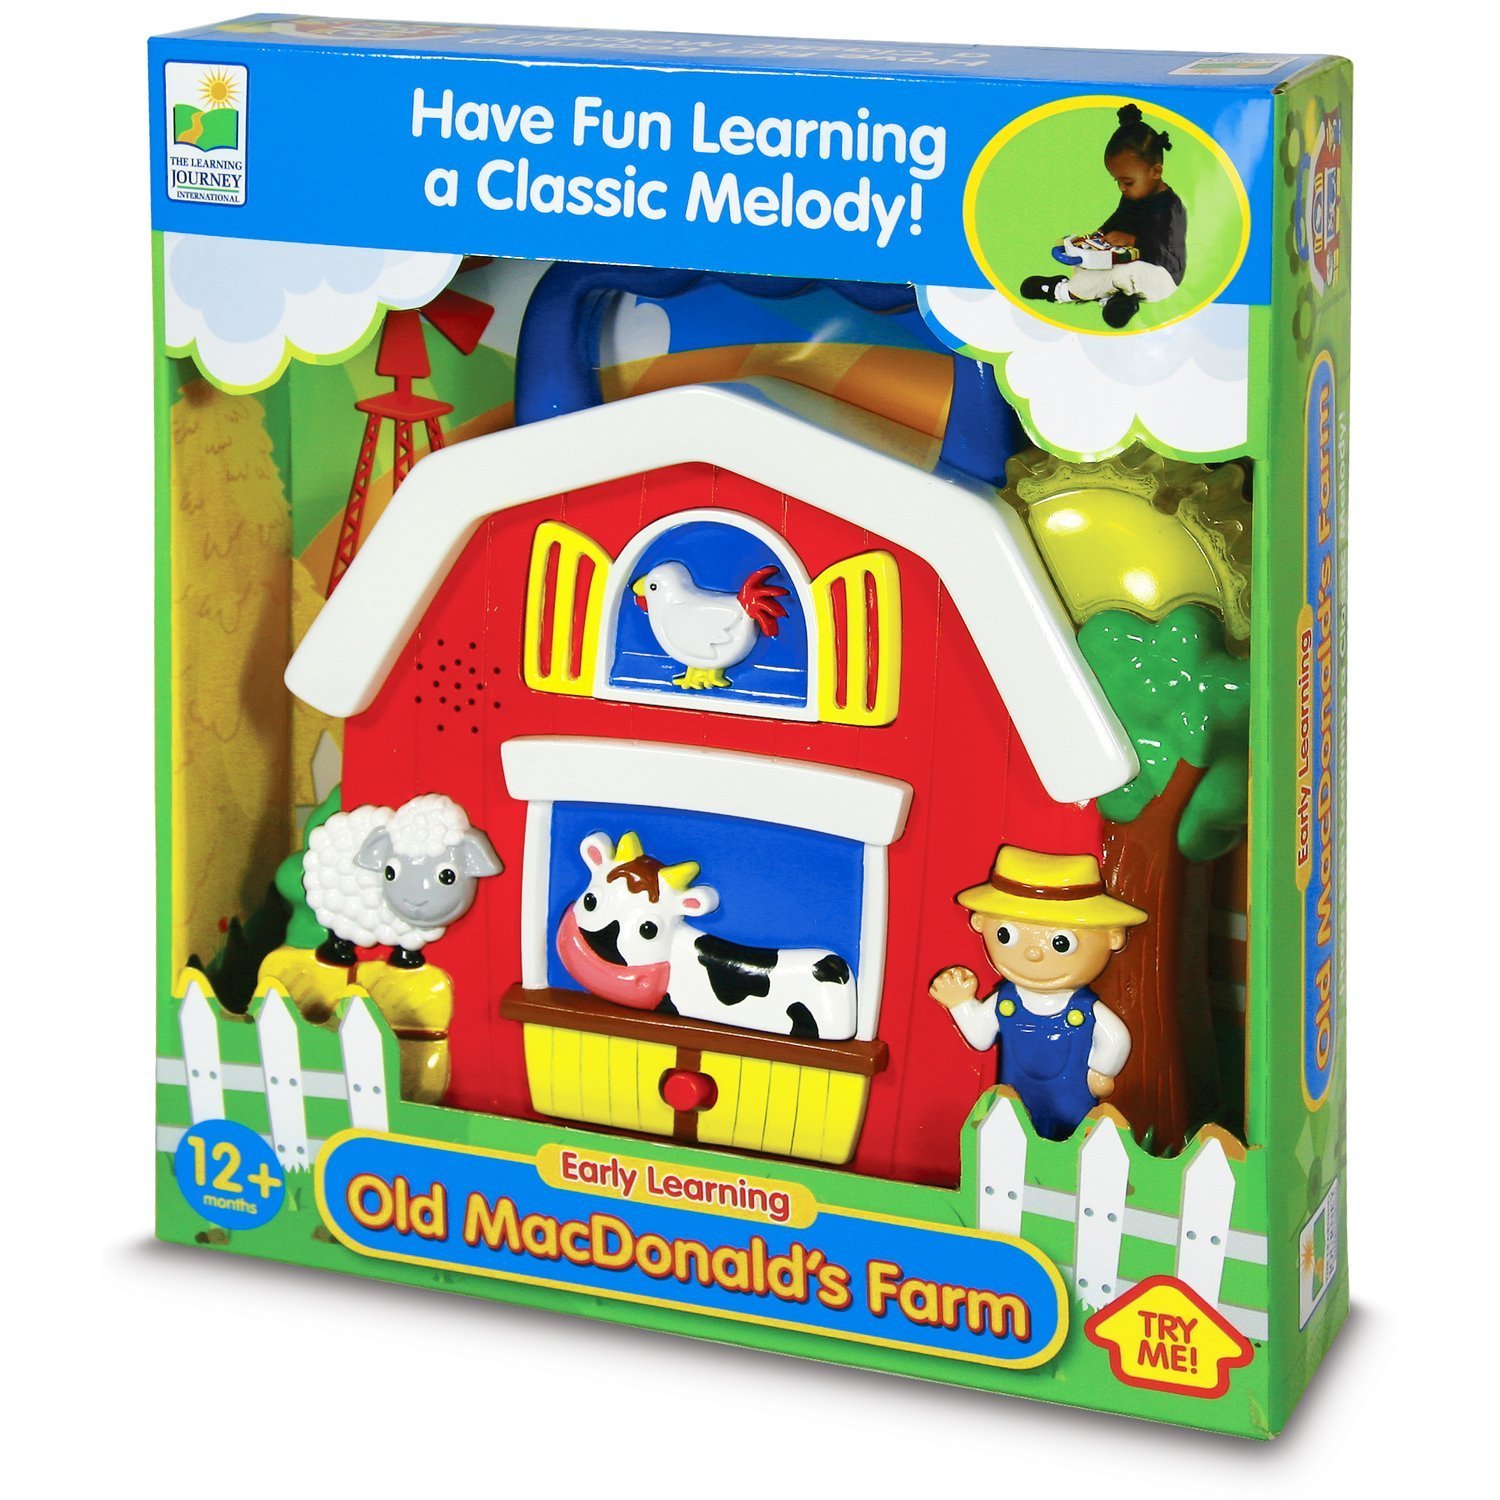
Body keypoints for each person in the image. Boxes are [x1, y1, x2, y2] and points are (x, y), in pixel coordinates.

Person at [929, 845, 1147, 1140]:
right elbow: (981, 1037)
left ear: (1113, 937)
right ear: (980, 923)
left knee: (1071, 1141)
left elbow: (1116, 1039)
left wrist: (1101, 1070)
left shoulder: (1084, 1011)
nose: (1033, 953)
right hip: (1017, 1097)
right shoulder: (1006, 1002)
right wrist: (960, 1003)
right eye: (1006, 935)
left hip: (1073, 1100)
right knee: (1014, 1135)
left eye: (1060, 943)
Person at [1022, 103, 1188, 329]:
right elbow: (1118, 218)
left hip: (1161, 275)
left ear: (1155, 171)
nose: (1122, 188)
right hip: (1127, 261)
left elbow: (1168, 252)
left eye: (1127, 182)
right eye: (1117, 181)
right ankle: (1115, 300)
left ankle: (1062, 291)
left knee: (1124, 273)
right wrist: (1097, 236)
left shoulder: (1171, 207)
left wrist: (1133, 240)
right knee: (1095, 265)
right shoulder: (1133, 196)